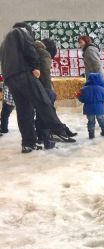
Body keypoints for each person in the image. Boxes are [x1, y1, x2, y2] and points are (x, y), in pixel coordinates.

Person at [0, 22, 69, 153]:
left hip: (9, 78)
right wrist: (35, 66)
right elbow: (29, 47)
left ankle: (28, 143)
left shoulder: (4, 42)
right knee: (42, 100)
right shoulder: (20, 32)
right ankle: (57, 130)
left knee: (23, 110)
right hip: (23, 73)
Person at [34, 38, 77, 144]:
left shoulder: (34, 51)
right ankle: (55, 133)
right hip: (43, 87)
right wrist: (48, 89)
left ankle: (43, 136)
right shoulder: (44, 53)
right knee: (47, 112)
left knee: (41, 113)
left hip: (36, 86)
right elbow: (45, 72)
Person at [78, 35, 104, 115]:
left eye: (81, 42)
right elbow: (91, 64)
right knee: (94, 95)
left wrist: (97, 77)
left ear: (86, 41)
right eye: (79, 43)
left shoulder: (89, 49)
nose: (80, 44)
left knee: (96, 95)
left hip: (96, 77)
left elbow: (97, 63)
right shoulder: (88, 49)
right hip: (94, 76)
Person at [77, 73, 104, 139]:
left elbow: (82, 100)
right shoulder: (102, 89)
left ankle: (91, 135)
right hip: (99, 108)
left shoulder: (84, 89)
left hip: (89, 109)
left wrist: (78, 97)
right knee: (101, 119)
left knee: (91, 121)